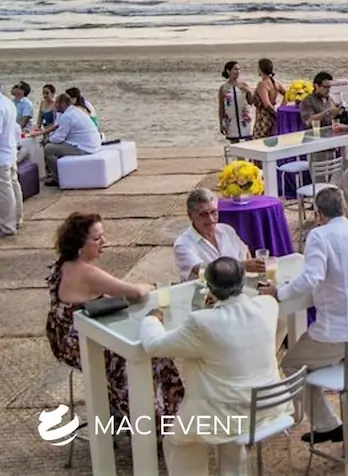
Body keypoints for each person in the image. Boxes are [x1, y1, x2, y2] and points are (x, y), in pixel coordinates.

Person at [262, 188, 348, 468]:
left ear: (318, 214)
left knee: (292, 365)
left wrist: (279, 292)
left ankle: (327, 423)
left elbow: (311, 277)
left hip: (339, 333)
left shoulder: (319, 235)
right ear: (343, 208)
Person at [140, 257, 288, 475]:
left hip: (226, 411)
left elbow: (154, 345)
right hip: (268, 403)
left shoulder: (200, 323)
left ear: (209, 287)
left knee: (177, 441)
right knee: (229, 435)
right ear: (242, 281)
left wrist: (151, 319)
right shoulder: (268, 306)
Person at [45, 213, 183, 424]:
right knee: (146, 351)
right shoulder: (88, 273)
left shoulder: (63, 264)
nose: (104, 242)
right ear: (80, 244)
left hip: (62, 339)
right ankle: (153, 418)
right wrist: (151, 286)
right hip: (81, 344)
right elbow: (136, 293)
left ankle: (140, 412)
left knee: (146, 349)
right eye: (97, 238)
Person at [173, 188, 264, 281]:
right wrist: (242, 266)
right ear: (190, 215)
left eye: (214, 212)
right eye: (203, 214)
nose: (211, 219)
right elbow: (204, 271)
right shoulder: (183, 244)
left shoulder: (226, 230)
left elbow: (245, 252)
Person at [43, 92, 102, 186]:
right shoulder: (75, 111)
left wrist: (47, 140)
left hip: (84, 147)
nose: (55, 106)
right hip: (92, 144)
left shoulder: (67, 116)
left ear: (63, 103)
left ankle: (57, 178)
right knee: (56, 145)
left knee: (49, 149)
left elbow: (59, 138)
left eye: (57, 103)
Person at [0, 88, 20, 237]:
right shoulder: (8, 102)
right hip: (10, 151)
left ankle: (7, 225)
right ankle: (17, 219)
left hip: (2, 155)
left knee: (5, 191)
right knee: (13, 185)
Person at [218, 61, 253, 143]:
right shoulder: (223, 88)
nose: (238, 72)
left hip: (244, 120)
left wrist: (249, 91)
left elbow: (251, 102)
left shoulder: (244, 85)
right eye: (235, 69)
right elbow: (221, 107)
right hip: (231, 121)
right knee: (234, 144)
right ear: (228, 71)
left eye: (239, 69)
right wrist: (221, 124)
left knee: (248, 143)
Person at [252, 58, 285, 139]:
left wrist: (276, 113)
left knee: (258, 141)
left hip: (263, 117)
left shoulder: (262, 84)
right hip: (272, 118)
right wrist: (281, 108)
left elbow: (266, 104)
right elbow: (288, 94)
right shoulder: (275, 84)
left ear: (260, 69)